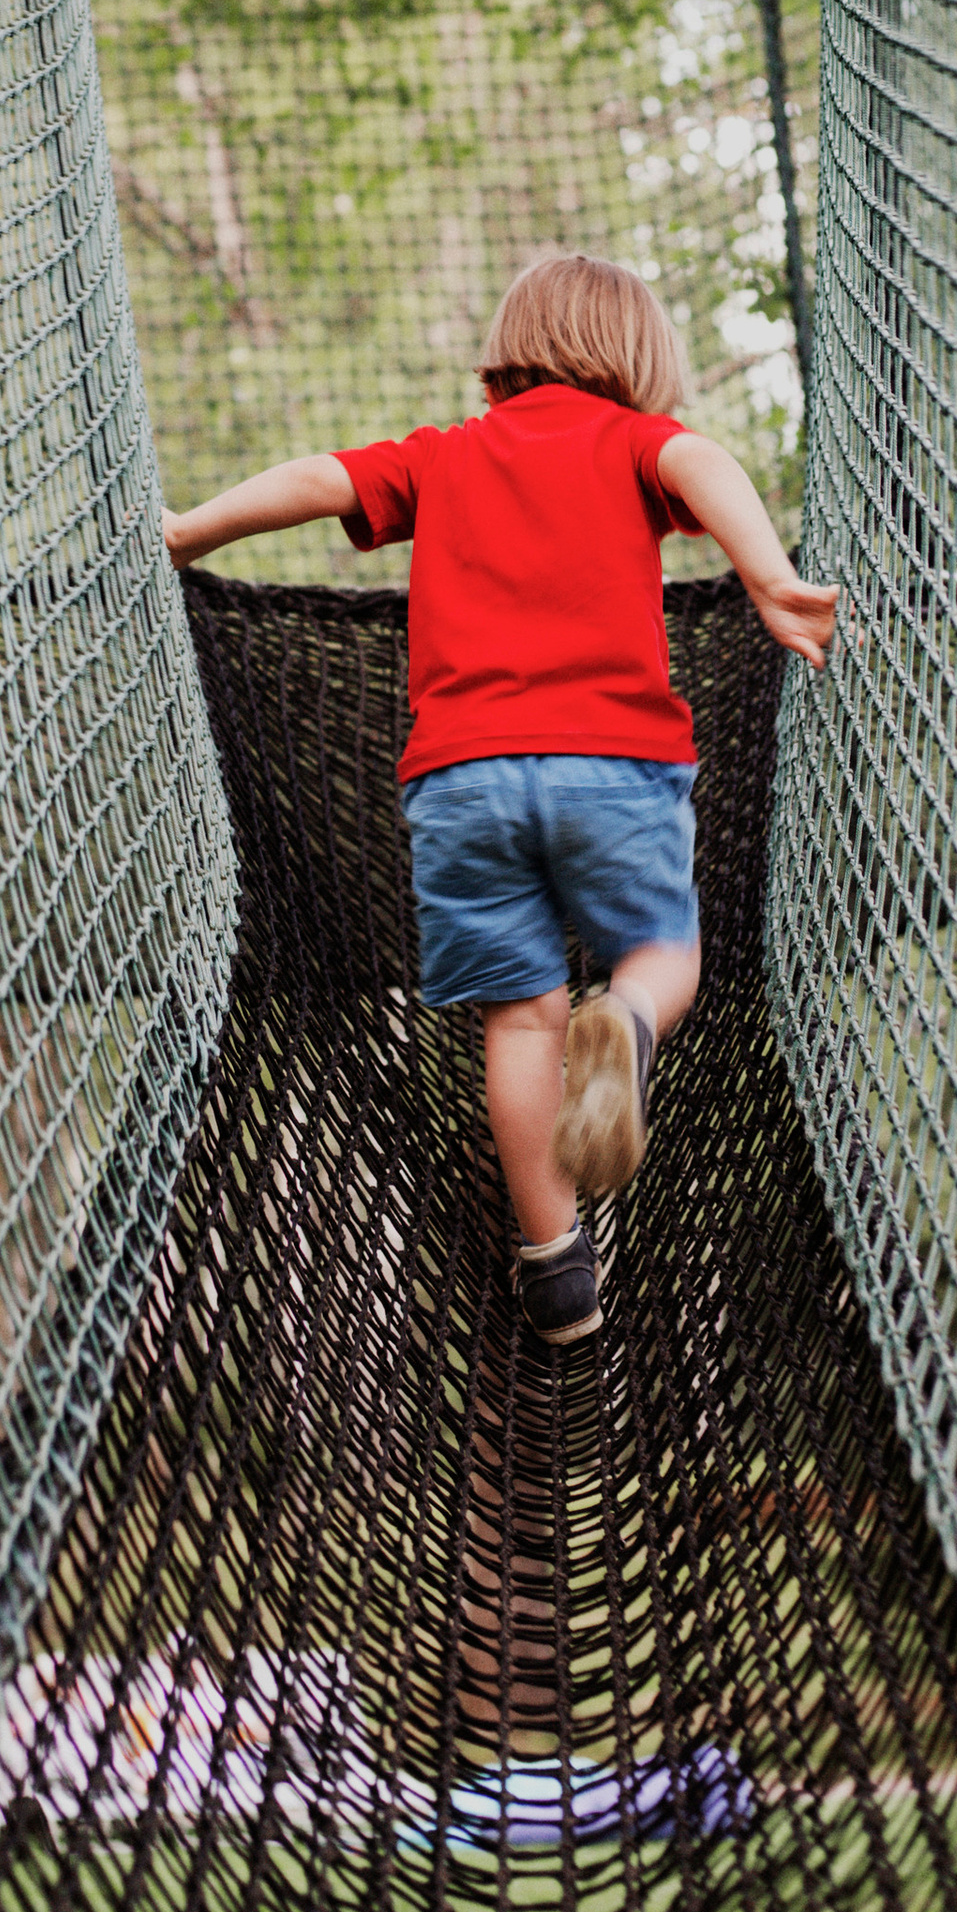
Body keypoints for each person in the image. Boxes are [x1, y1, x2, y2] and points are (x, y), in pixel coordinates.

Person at [162, 250, 837, 1344]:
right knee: (662, 954)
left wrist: (188, 530)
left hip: (461, 779)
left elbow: (318, 478)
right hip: (613, 763)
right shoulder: (633, 442)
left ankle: (556, 1266)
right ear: (636, 365)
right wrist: (763, 575)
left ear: (502, 364)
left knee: (518, 1023)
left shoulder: (446, 456)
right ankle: (623, 1018)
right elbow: (702, 462)